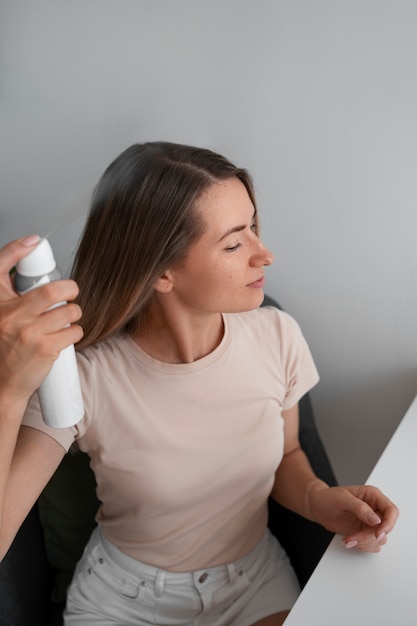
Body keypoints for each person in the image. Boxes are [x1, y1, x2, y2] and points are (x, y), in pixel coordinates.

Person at [0, 142, 399, 626]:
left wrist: (320, 500)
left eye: (252, 226)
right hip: (124, 602)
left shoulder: (276, 334)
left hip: (253, 585)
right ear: (162, 272)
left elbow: (288, 455)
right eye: (234, 243)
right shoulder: (81, 376)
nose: (265, 254)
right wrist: (11, 385)